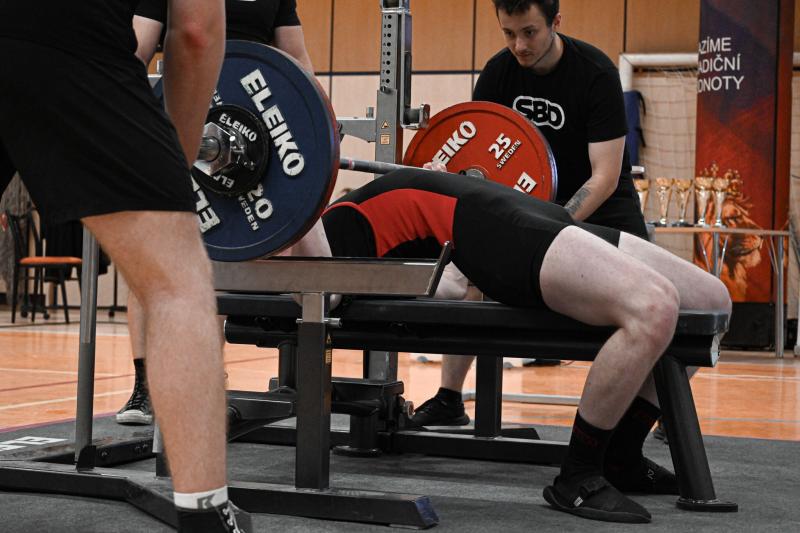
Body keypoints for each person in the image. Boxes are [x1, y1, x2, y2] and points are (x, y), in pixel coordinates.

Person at [297, 166, 730, 523]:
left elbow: (438, 284)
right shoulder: (318, 233)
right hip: (492, 227)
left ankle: (622, 456)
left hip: (514, 212)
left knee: (711, 299)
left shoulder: (338, 220)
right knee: (654, 308)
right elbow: (325, 292)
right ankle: (578, 475)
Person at [0, 1, 250, 531]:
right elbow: (197, 29)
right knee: (176, 283)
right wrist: (173, 170)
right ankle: (206, 516)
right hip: (67, 36)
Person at [409, 0, 652, 430]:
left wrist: (551, 230)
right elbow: (481, 157)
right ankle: (449, 398)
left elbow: (604, 178)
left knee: (654, 300)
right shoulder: (497, 74)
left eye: (530, 32)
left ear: (556, 22)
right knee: (475, 273)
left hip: (603, 207)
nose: (519, 45)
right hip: (529, 205)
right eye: (509, 33)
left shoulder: (595, 73)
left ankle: (655, 408)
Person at [117, 0, 314, 427]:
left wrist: (318, 122)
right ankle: (145, 387)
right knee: (152, 256)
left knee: (232, 262)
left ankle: (208, 382)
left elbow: (296, 58)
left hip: (258, 135)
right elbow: (136, 50)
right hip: (188, 121)